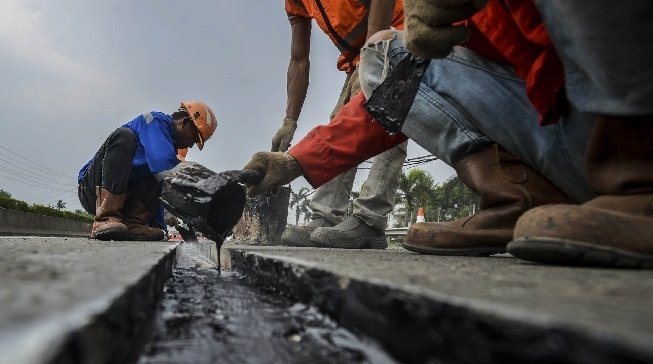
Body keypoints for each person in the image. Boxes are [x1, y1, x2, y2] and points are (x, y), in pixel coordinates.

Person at [242, 0, 651, 266]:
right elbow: (397, 95)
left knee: (379, 50)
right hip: (568, 135)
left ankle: (640, 187)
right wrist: (294, 160)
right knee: (384, 60)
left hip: (618, 113)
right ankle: (523, 196)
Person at [275, 0, 409, 249]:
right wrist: (289, 122)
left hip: (398, 37)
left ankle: (371, 220)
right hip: (361, 56)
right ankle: (325, 215)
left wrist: (375, 56)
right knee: (341, 122)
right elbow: (298, 60)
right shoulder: (295, 3)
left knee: (387, 118)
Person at [77, 101, 217, 241]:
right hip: (92, 191)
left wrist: (159, 227)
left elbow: (158, 184)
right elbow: (163, 166)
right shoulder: (155, 121)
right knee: (124, 136)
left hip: (124, 200)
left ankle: (132, 224)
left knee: (159, 177)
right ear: (184, 122)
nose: (192, 145)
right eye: (194, 137)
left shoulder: (169, 149)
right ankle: (105, 219)